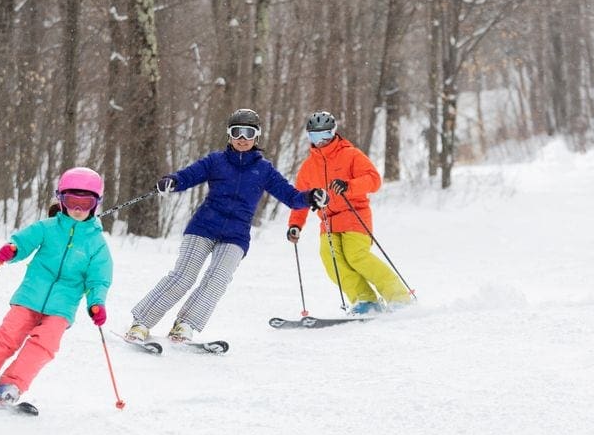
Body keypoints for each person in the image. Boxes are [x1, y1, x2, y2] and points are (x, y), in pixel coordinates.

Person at [125, 108, 328, 343]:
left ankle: (185, 325)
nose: (242, 138)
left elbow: (291, 197)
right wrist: (172, 180)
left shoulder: (264, 170)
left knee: (217, 279)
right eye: (237, 132)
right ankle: (141, 323)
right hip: (203, 227)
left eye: (248, 133)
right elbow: (188, 176)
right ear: (229, 135)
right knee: (184, 276)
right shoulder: (215, 161)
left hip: (236, 236)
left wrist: (311, 196)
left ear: (257, 137)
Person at [0, 167, 113, 409]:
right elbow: (23, 241)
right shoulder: (47, 228)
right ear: (60, 199)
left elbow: (98, 279)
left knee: (43, 345)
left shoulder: (97, 244)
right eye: (71, 201)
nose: (78, 209)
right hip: (29, 296)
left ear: (96, 204)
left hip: (62, 307)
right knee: (6, 337)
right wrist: (13, 249)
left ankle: (11, 386)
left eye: (85, 202)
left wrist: (96, 303)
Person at [287, 110, 412, 314]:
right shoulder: (308, 168)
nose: (320, 141)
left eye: (325, 135)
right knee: (331, 260)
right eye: (314, 136)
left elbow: (374, 180)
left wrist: (349, 185)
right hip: (327, 221)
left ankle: (398, 296)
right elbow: (299, 199)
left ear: (334, 133)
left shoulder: (350, 155)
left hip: (355, 215)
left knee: (356, 256)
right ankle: (366, 300)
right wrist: (294, 225)